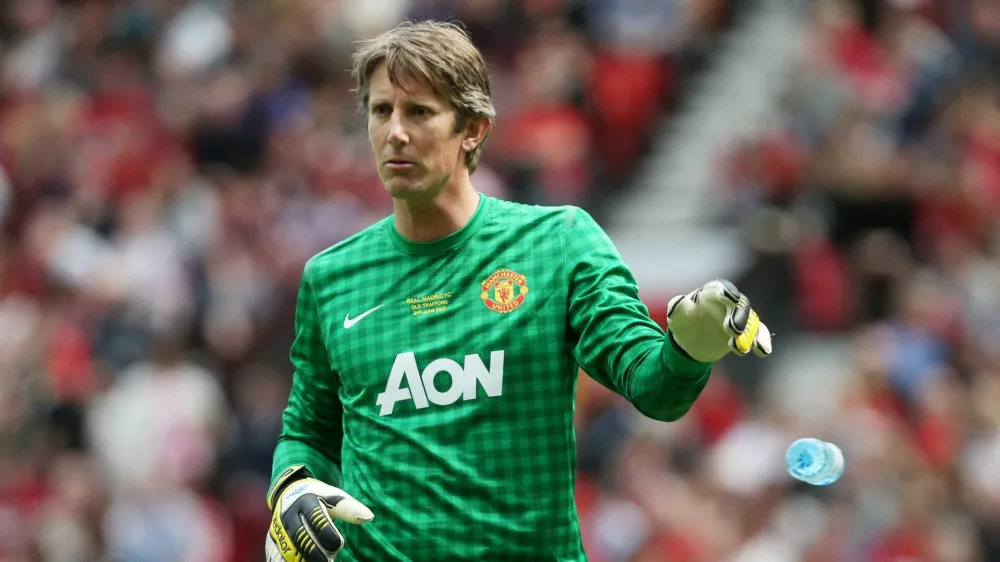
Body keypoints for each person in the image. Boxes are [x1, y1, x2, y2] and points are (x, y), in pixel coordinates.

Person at [264, 20, 773, 562]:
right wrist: (291, 485)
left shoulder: (559, 245)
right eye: (381, 110)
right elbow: (308, 432)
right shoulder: (330, 276)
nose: (396, 132)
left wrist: (688, 349)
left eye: (419, 112)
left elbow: (656, 390)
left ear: (474, 130)